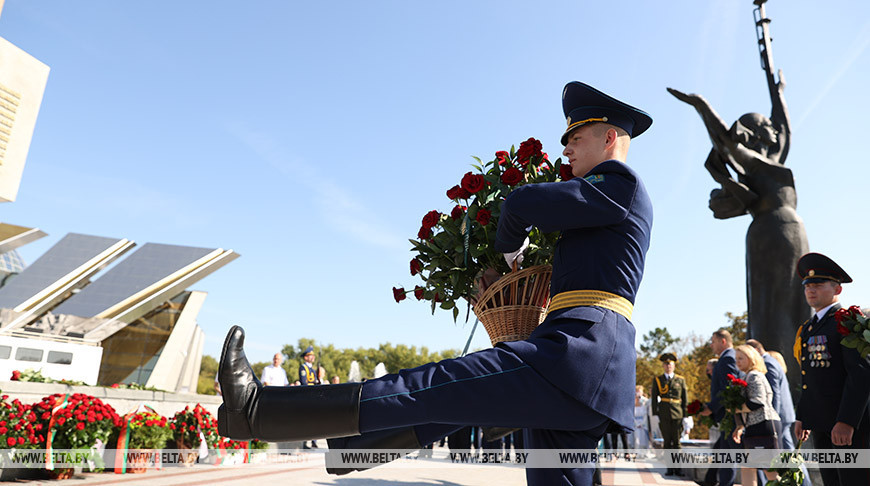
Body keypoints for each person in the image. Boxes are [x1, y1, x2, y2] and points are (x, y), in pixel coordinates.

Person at [216, 81, 654, 486]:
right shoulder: (603, 201)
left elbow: (520, 203)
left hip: (577, 354)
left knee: (437, 386)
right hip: (585, 363)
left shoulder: (619, 183)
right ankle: (352, 449)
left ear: (609, 138)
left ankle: (256, 413)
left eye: (576, 139)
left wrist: (509, 255)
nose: (568, 150)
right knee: (459, 399)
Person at [793, 252, 870, 485]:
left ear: (837, 290)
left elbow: (861, 375)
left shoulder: (849, 321)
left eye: (818, 284)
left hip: (847, 426)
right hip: (821, 423)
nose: (810, 290)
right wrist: (803, 417)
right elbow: (810, 377)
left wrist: (847, 421)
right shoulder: (809, 328)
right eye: (807, 285)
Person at [731, 345, 780, 486]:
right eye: (736, 359)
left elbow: (758, 402)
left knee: (770, 471)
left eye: (741, 358)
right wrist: (740, 425)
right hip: (755, 426)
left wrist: (736, 408)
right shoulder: (747, 375)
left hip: (763, 425)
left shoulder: (754, 375)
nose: (737, 362)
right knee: (747, 466)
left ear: (751, 358)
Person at [700, 329, 738, 486]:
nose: (711, 345)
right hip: (727, 416)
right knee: (725, 456)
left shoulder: (728, 359)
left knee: (732, 457)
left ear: (723, 341)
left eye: (713, 341)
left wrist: (711, 407)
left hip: (730, 416)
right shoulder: (726, 358)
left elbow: (728, 389)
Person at [651, 352, 687, 476]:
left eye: (670, 364)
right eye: (666, 364)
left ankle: (679, 468)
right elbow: (654, 398)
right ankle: (670, 468)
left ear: (674, 365)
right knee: (667, 442)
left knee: (677, 443)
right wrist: (655, 414)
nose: (668, 366)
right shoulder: (658, 380)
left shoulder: (680, 380)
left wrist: (686, 415)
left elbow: (684, 398)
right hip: (664, 414)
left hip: (678, 413)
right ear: (663, 366)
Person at [633, 385, 652, 452]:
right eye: (637, 392)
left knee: (644, 439)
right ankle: (637, 451)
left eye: (640, 392)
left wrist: (642, 423)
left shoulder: (645, 401)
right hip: (636, 422)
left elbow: (646, 413)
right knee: (637, 438)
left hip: (644, 422)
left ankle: (646, 451)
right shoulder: (633, 400)